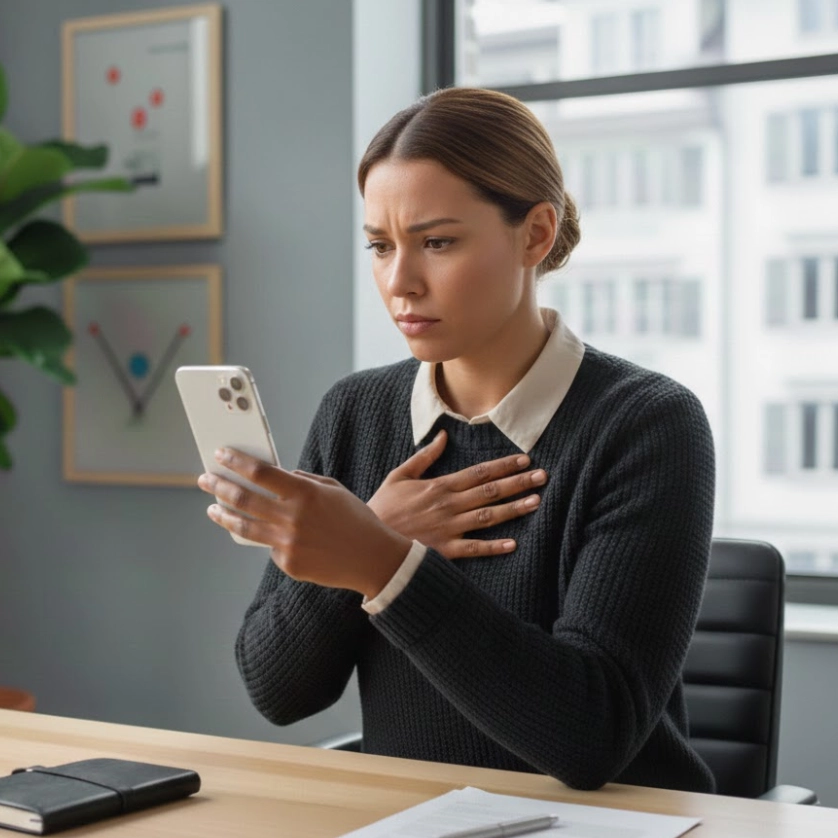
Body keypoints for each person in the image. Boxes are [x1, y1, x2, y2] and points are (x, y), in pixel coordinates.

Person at [198, 87, 717, 793]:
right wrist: (368, 541)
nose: (399, 281)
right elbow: (277, 692)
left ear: (535, 234)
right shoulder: (355, 412)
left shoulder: (647, 424)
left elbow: (592, 738)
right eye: (380, 246)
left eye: (437, 242)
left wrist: (387, 563)